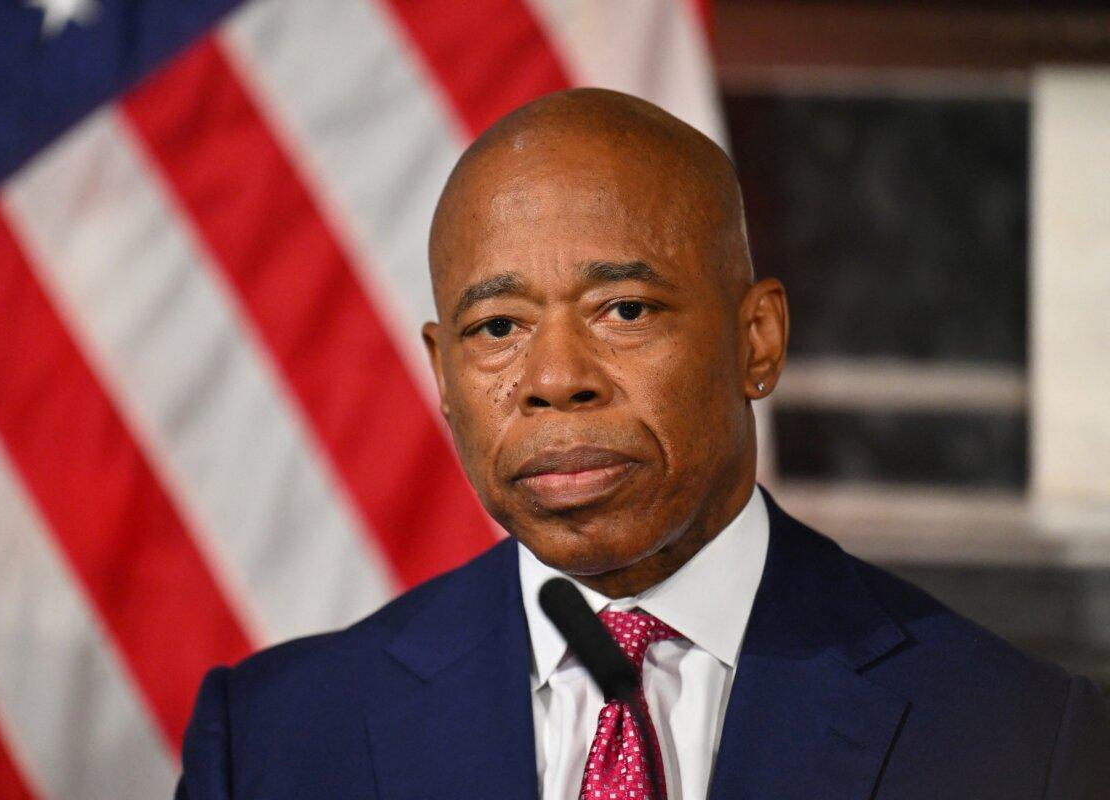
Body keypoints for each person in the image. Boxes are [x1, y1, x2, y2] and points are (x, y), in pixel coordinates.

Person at [175, 89, 1109, 799]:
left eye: (624, 310)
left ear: (758, 341)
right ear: (442, 376)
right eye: (496, 327)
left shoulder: (1020, 740)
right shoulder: (272, 742)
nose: (553, 377)